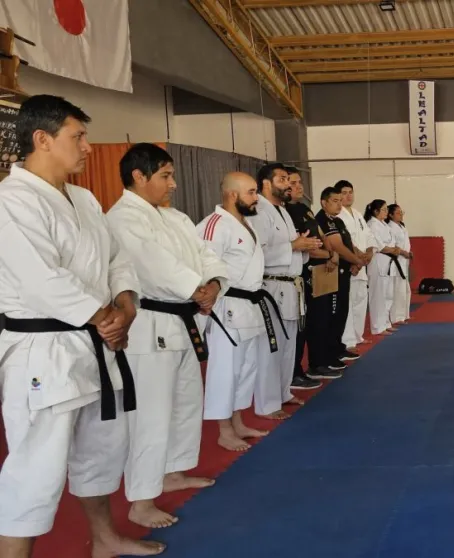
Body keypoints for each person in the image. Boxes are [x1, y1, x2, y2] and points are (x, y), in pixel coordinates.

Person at [0, 95, 164, 558]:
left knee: (99, 451)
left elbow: (117, 260)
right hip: (44, 349)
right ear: (42, 139)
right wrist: (103, 317)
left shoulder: (85, 198)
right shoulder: (12, 201)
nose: (88, 146)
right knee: (36, 467)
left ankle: (106, 539)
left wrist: (125, 308)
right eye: (79, 136)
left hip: (97, 343)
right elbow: (40, 278)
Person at [106, 143, 229, 529]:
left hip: (183, 322)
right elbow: (153, 264)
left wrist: (212, 284)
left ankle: (173, 471)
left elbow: (205, 253)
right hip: (148, 326)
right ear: (138, 176)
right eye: (165, 176)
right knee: (152, 415)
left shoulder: (174, 217)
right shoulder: (123, 218)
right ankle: (141, 499)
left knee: (185, 402)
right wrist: (195, 288)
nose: (173, 184)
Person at [197, 172, 277, 453]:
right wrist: (206, 300)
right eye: (252, 192)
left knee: (246, 367)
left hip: (250, 304)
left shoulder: (245, 224)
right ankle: (224, 430)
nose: (256, 198)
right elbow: (204, 265)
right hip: (226, 305)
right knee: (225, 369)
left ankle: (238, 420)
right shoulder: (215, 225)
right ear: (232, 194)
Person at [246, 163, 323, 421]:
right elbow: (258, 252)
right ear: (266, 183)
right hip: (272, 284)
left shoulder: (283, 211)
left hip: (291, 283)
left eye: (289, 180)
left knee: (290, 342)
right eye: (282, 179)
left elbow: (291, 247)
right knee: (273, 344)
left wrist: (304, 246)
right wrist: (294, 245)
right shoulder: (258, 211)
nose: (288, 184)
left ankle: (282, 391)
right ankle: (267, 403)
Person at [282, 167, 327, 389]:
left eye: (300, 182)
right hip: (287, 277)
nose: (299, 186)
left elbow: (317, 236)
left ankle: (299, 368)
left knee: (306, 325)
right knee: (293, 329)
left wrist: (328, 251)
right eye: (292, 182)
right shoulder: (280, 211)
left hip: (303, 272)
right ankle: (291, 373)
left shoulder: (301, 209)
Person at [318, 186, 368, 365]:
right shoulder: (323, 220)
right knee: (332, 313)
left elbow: (349, 243)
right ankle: (329, 353)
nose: (339, 204)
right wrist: (357, 260)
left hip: (344, 271)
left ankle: (338, 347)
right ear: (324, 202)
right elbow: (337, 246)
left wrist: (356, 259)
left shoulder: (338, 221)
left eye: (341, 201)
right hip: (331, 273)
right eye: (335, 201)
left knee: (342, 312)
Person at [337, 180, 374, 351]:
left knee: (360, 300)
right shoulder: (338, 215)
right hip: (349, 263)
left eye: (350, 192)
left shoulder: (358, 214)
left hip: (361, 264)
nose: (348, 195)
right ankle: (348, 339)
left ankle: (358, 335)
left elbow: (368, 236)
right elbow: (345, 241)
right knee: (348, 303)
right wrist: (357, 258)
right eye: (344, 192)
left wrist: (368, 254)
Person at [365, 199, 400, 336]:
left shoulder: (384, 225)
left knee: (388, 294)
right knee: (378, 295)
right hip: (378, 261)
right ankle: (377, 326)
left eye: (386, 209)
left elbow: (392, 242)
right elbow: (378, 245)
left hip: (388, 262)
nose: (386, 212)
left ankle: (386, 323)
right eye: (384, 209)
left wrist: (394, 249)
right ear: (375, 211)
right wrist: (392, 250)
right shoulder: (372, 224)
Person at [386, 204, 413, 325]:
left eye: (402, 212)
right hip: (396, 260)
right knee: (398, 290)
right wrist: (403, 252)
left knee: (406, 290)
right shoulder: (390, 227)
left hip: (404, 260)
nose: (401, 214)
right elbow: (392, 245)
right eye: (398, 212)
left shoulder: (401, 226)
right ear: (390, 215)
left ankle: (405, 314)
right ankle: (397, 317)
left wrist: (408, 253)